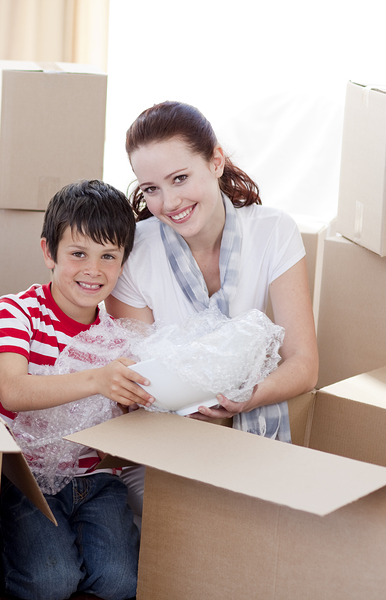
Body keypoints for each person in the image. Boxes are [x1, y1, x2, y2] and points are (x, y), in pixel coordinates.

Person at [107, 100, 319, 438]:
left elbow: (303, 364)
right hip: (164, 437)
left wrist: (248, 397)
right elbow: (138, 383)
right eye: (151, 189)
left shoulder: (274, 231)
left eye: (180, 178)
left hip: (253, 429)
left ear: (216, 162)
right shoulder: (133, 252)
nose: (170, 202)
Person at [0, 179, 146, 600]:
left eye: (108, 256)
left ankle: (66, 553)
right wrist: (98, 378)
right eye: (78, 254)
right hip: (26, 478)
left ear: (123, 262)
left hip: (95, 479)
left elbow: (124, 424)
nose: (94, 270)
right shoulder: (16, 312)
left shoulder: (117, 337)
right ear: (48, 252)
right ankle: (6, 551)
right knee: (50, 582)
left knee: (121, 582)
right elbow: (13, 390)